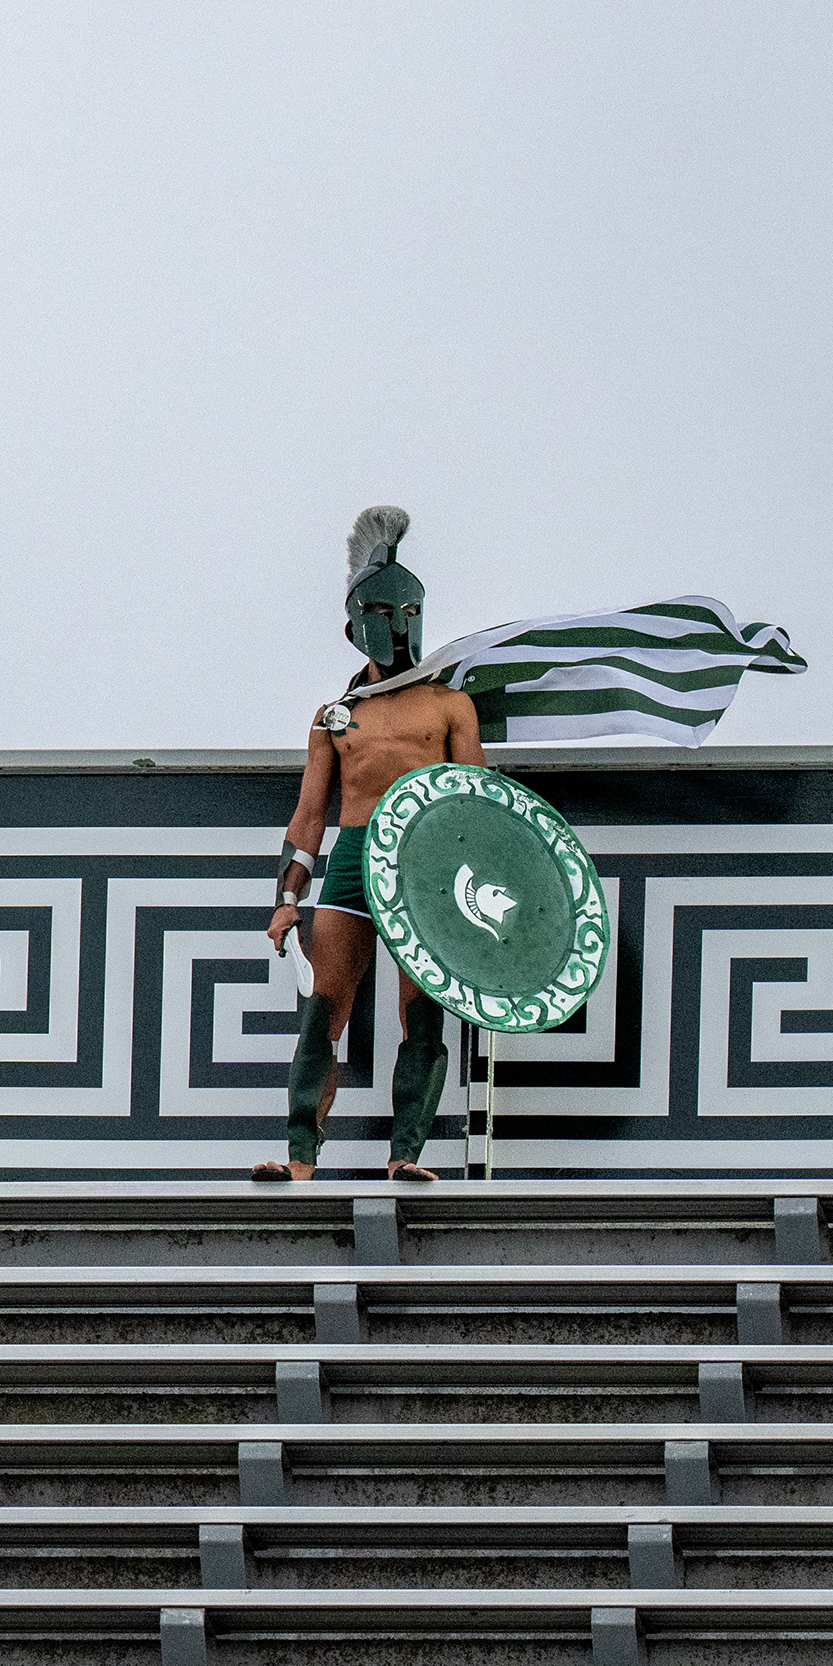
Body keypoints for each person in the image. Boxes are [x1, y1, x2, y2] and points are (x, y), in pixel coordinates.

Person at [256, 506, 483, 1184]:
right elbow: (308, 815)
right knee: (325, 1006)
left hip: (427, 860)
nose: (398, 623)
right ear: (357, 621)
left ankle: (406, 1153)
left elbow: (475, 800)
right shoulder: (334, 716)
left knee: (423, 1009)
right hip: (354, 859)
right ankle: (301, 1159)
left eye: (407, 609)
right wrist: (286, 897)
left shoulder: (449, 704)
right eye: (383, 609)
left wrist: (478, 891)